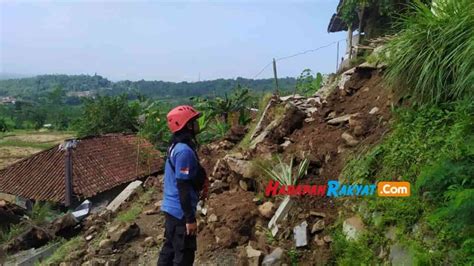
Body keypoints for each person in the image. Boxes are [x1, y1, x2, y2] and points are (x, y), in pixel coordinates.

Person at [158, 105, 208, 266]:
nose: (197, 125)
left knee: (169, 251)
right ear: (187, 125)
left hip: (171, 210)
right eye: (194, 122)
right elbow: (183, 186)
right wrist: (190, 219)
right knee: (184, 257)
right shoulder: (184, 151)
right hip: (180, 213)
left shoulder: (175, 146)